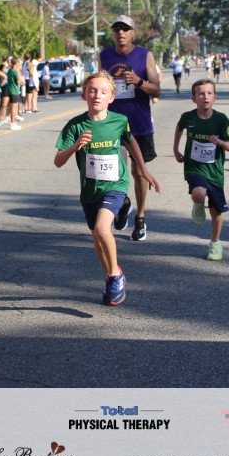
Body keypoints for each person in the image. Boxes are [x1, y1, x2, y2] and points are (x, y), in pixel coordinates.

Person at [54, 72, 160, 306]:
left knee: (103, 228)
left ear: (112, 97)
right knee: (97, 238)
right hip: (90, 190)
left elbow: (130, 141)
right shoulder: (75, 125)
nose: (97, 95)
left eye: (103, 92)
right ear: (84, 95)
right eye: (92, 90)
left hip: (116, 183)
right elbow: (58, 161)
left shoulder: (119, 121)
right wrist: (75, 146)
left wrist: (143, 170)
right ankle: (113, 272)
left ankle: (114, 277)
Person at [98, 15, 161, 242]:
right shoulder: (104, 56)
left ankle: (140, 218)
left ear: (133, 32)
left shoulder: (145, 55)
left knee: (138, 173)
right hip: (113, 125)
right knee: (112, 172)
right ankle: (124, 202)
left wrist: (139, 81)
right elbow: (97, 85)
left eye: (125, 29)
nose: (121, 32)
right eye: (117, 29)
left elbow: (157, 90)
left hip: (140, 124)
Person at [172, 79, 229, 261]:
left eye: (209, 93)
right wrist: (175, 149)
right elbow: (179, 128)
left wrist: (219, 142)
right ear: (194, 99)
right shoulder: (188, 117)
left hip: (214, 172)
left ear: (215, 97)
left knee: (216, 212)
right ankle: (198, 201)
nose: (205, 97)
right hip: (194, 167)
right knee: (199, 193)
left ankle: (215, 243)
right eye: (201, 94)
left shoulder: (221, 119)